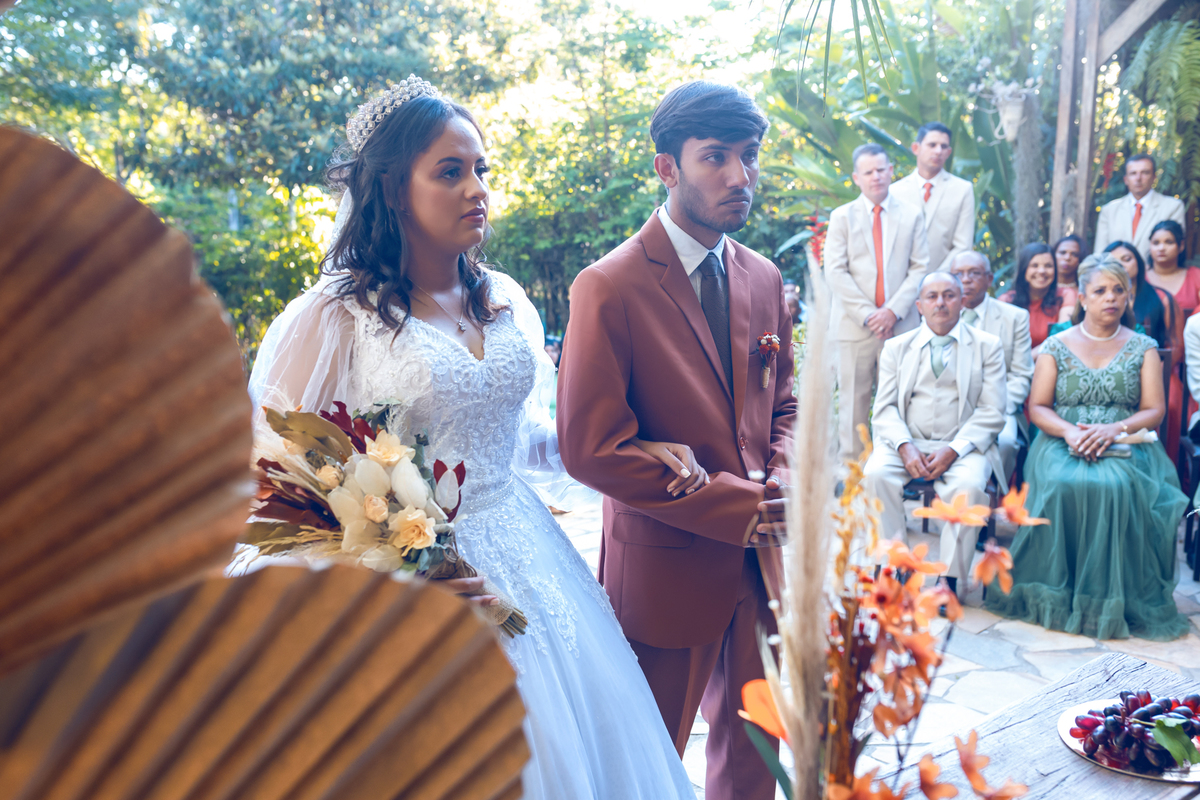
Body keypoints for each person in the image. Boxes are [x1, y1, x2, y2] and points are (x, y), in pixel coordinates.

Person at [247, 78, 698, 800]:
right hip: (404, 584)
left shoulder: (504, 299)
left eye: (481, 169)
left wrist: (629, 446)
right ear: (394, 191)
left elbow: (520, 439)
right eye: (450, 172)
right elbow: (282, 474)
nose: (476, 189)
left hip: (525, 552)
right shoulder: (335, 315)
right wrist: (389, 563)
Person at [556, 81, 795, 800]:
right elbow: (590, 447)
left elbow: (784, 403)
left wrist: (781, 486)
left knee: (756, 759)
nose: (739, 175)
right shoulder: (608, 285)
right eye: (715, 157)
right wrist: (738, 507)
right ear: (667, 168)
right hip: (666, 568)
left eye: (749, 156)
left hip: (765, 566)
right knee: (645, 763)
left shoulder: (765, 276)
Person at [986, 258, 1189, 641]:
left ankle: (1109, 597)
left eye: (1118, 290)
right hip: (1061, 440)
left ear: (1128, 298)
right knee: (1064, 484)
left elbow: (1154, 410)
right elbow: (1038, 407)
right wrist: (1070, 433)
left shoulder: (1143, 347)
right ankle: (1057, 591)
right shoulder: (1056, 345)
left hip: (1126, 439)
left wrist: (1114, 428)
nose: (1110, 298)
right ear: (1082, 298)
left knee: (1114, 486)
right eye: (1100, 291)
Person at [864, 271, 1007, 594]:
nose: (940, 303)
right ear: (919, 306)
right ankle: (894, 564)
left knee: (970, 486)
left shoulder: (987, 346)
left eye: (949, 295)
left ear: (962, 302)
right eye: (932, 296)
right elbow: (884, 408)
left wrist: (954, 449)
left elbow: (992, 410)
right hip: (906, 442)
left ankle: (949, 579)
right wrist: (904, 446)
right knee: (875, 475)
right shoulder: (896, 348)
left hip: (963, 445)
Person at [825, 143, 931, 459]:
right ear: (857, 178)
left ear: (891, 171)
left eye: (881, 170)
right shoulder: (842, 217)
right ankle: (853, 474)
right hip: (854, 327)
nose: (876, 177)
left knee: (900, 402)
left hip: (900, 327)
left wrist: (892, 312)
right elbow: (835, 271)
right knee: (852, 405)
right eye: (868, 172)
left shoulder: (911, 215)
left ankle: (894, 467)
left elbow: (920, 267)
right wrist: (870, 315)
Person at [950, 251, 1034, 480]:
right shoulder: (939, 315)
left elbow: (1021, 375)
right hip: (950, 406)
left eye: (974, 273)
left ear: (989, 279)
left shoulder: (1015, 317)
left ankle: (996, 494)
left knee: (1006, 442)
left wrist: (996, 407)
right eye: (959, 274)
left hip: (999, 406)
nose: (966, 280)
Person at [1103, 241, 1184, 461]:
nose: (1121, 265)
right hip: (1109, 369)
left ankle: (1167, 460)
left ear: (1138, 263)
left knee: (1170, 403)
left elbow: (1175, 345)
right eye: (1113, 261)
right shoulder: (1098, 298)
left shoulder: (1162, 298)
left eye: (1127, 259)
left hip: (1159, 369)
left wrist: (1151, 373)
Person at [890, 122, 975, 273]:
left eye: (943, 146)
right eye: (932, 145)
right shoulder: (894, 191)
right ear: (916, 148)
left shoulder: (962, 190)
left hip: (944, 280)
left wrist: (937, 279)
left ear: (948, 152)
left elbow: (963, 245)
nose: (938, 151)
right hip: (901, 279)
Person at [1094, 154, 1186, 262]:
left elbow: (1174, 250)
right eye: (1133, 173)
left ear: (1154, 177)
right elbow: (1100, 254)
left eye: (1145, 172)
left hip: (1156, 271)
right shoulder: (1109, 210)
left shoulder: (1173, 207)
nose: (1138, 178)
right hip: (1116, 272)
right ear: (1126, 179)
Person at [998, 243, 1072, 350]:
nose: (1042, 271)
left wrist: (1027, 358)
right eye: (1034, 265)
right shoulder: (1006, 301)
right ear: (1024, 269)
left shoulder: (1065, 296)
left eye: (1048, 266)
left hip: (1051, 358)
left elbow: (1062, 339)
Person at [1145, 219, 1200, 318]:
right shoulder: (1139, 275)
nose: (1161, 248)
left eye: (1169, 242)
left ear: (1181, 245)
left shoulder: (1196, 276)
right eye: (1156, 243)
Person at [1053, 233, 1087, 306]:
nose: (1067, 258)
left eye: (1074, 254)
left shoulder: (1085, 290)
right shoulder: (1043, 288)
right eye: (1062, 253)